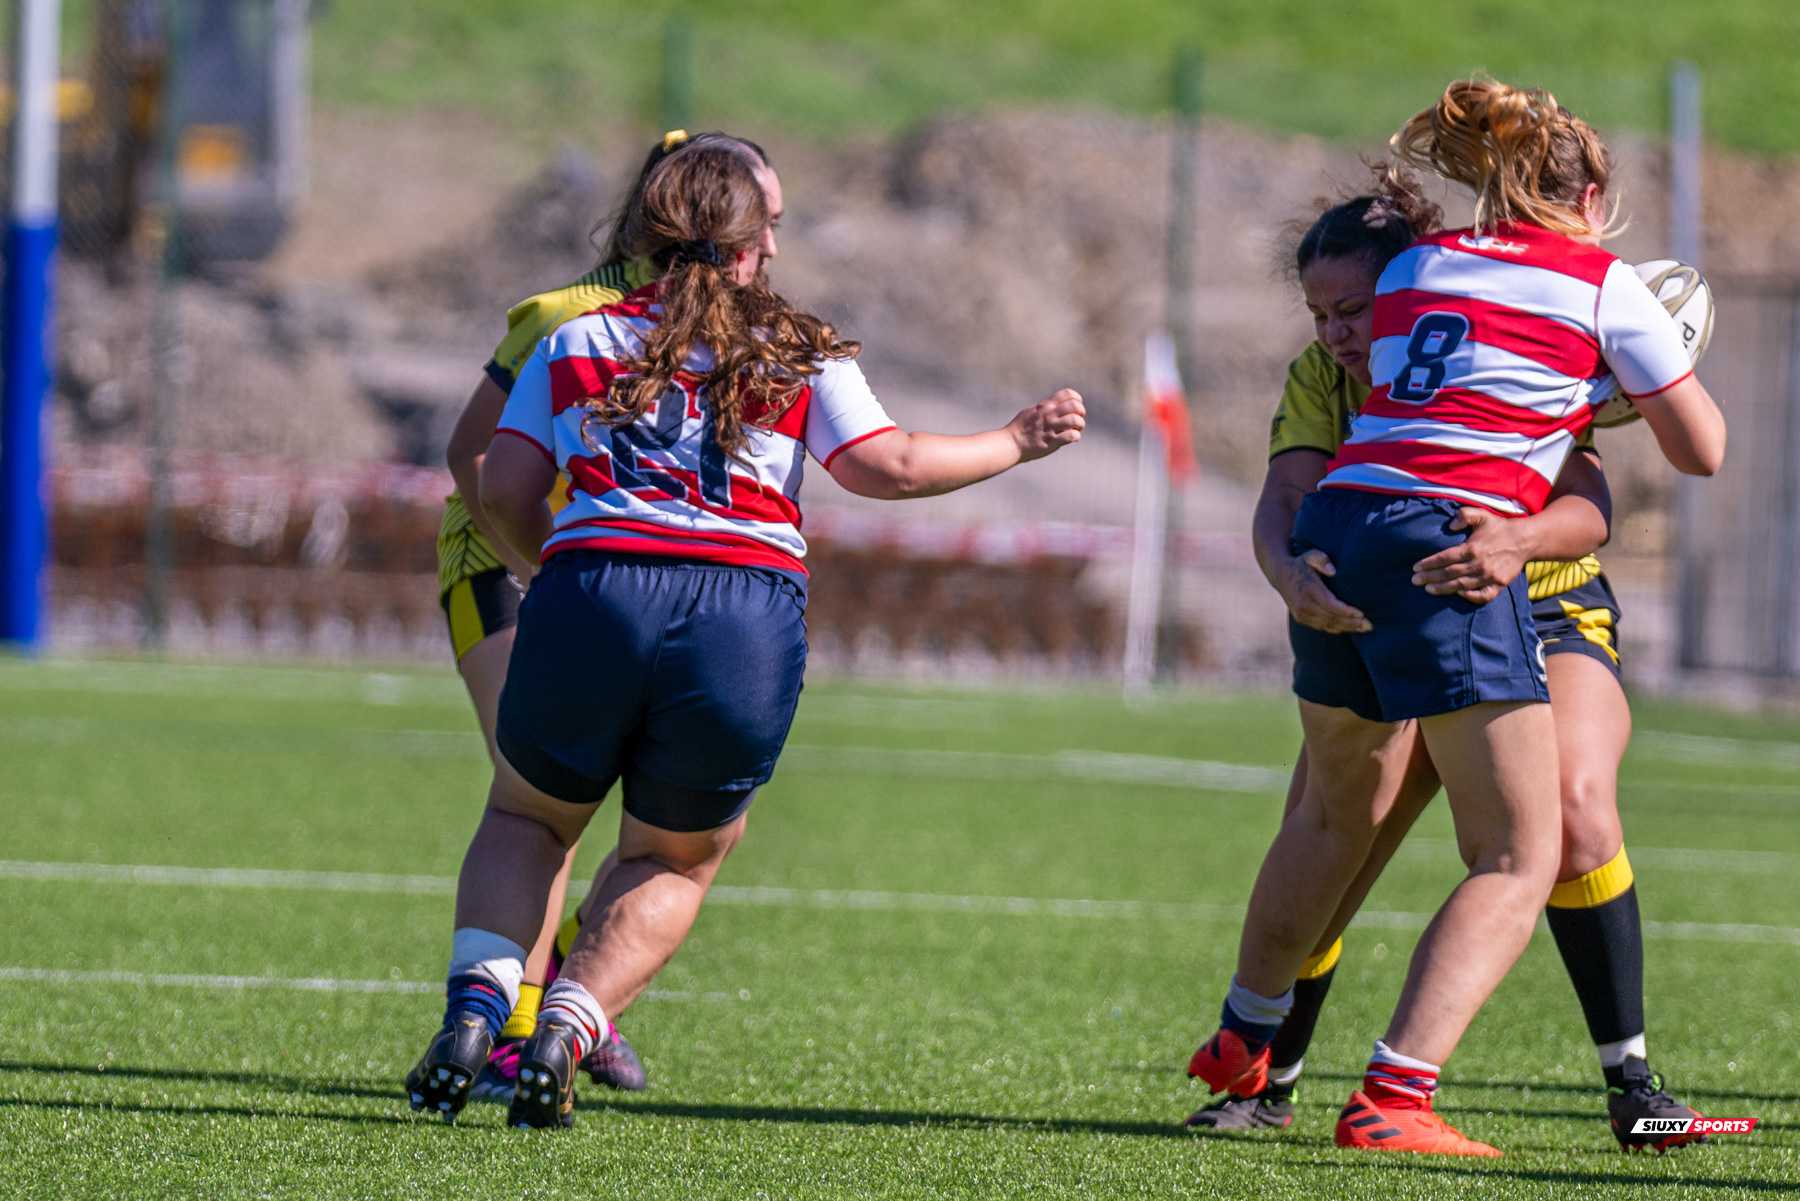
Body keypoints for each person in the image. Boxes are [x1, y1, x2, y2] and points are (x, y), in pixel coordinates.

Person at [405, 133, 1087, 1129]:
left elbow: (497, 483)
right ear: (748, 248)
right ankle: (568, 1024)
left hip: (594, 589)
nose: (774, 246)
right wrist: (1015, 440)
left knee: (530, 818)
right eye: (767, 230)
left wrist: (552, 565)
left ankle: (480, 1009)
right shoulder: (797, 347)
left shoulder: (576, 339)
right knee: (678, 855)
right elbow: (884, 465)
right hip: (742, 613)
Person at [1186, 79, 1726, 1156]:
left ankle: (1247, 1039)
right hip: (1448, 561)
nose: (1343, 333)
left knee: (1347, 816)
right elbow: (1700, 450)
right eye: (1326, 317)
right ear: (1597, 193)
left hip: (1368, 538)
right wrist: (1617, 367)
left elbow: (1507, 457)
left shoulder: (1428, 278)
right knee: (1516, 854)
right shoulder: (1596, 284)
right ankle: (1393, 1096)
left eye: (1352, 310)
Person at [434, 130, 762, 1099]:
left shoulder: (747, 330)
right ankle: (509, 1035)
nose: (772, 240)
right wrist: (561, 566)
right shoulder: (567, 316)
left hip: (626, 593)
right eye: (763, 217)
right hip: (507, 570)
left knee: (710, 828)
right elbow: (473, 460)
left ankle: (569, 1002)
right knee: (548, 806)